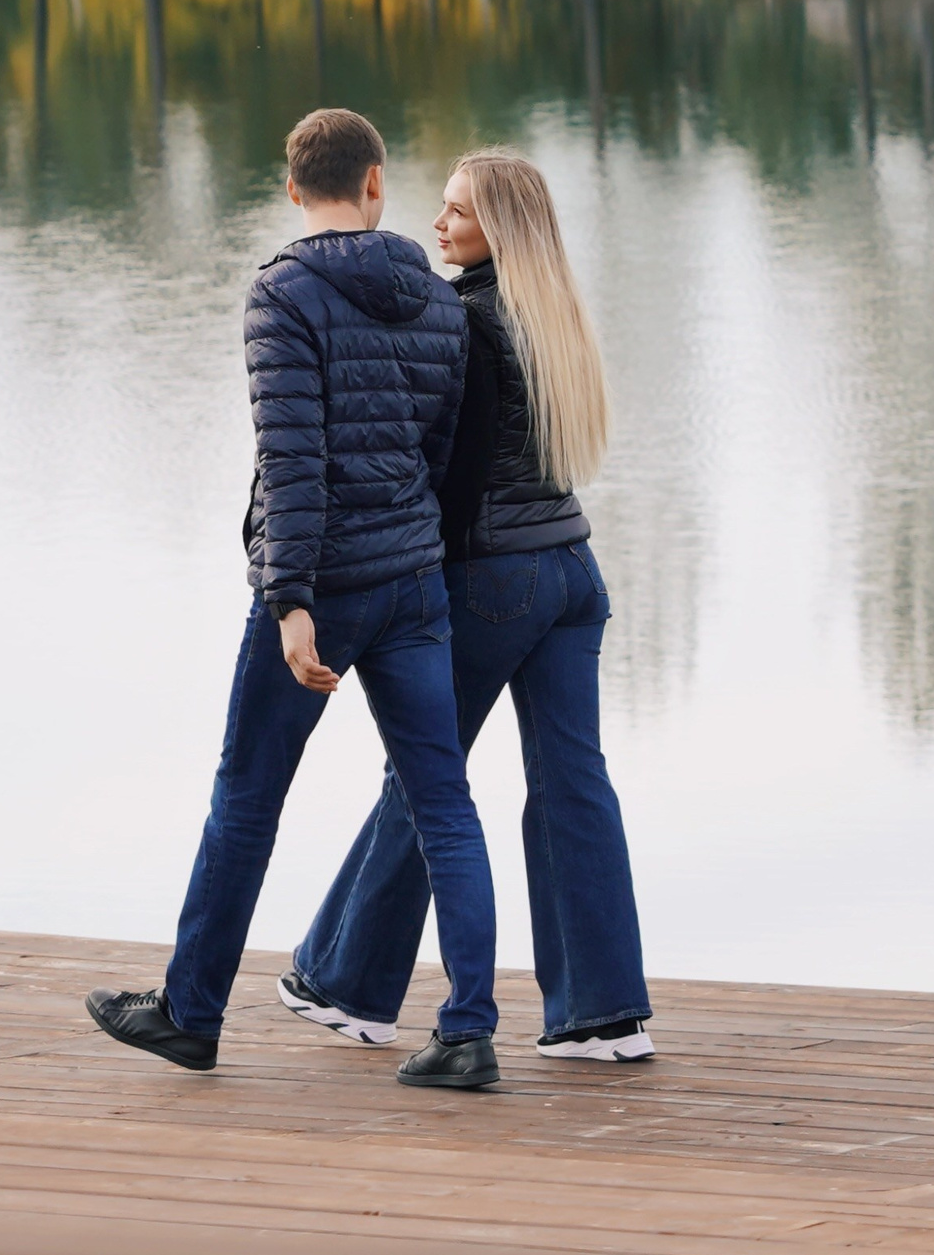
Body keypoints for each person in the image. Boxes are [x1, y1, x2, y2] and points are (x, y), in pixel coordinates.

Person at [85, 109, 507, 1090]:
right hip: (411, 584)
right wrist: (414, 553)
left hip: (320, 588)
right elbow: (443, 456)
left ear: (291, 191)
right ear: (375, 184)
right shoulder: (442, 304)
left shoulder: (283, 293)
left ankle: (191, 1013)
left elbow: (291, 459)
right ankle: (470, 1029)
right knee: (444, 801)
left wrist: (289, 601)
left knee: (245, 800)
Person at [275, 148, 654, 1062]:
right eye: (440, 209)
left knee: (426, 781)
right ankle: (602, 1015)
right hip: (571, 569)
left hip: (492, 580)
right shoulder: (553, 313)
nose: (438, 225)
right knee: (574, 784)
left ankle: (348, 985)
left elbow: (453, 470)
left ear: (500, 230)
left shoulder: (467, 320)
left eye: (457, 214)